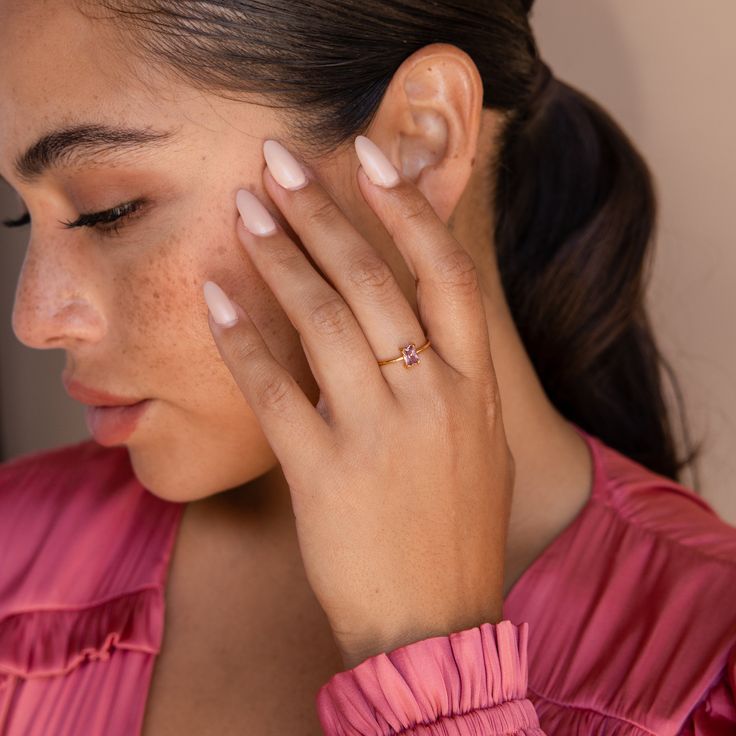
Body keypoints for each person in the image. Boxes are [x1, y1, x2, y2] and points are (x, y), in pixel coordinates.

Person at [0, 0, 734, 734]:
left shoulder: (709, 678)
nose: (34, 319)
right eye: (20, 216)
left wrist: (431, 661)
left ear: (421, 137)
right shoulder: (14, 562)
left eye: (109, 209)